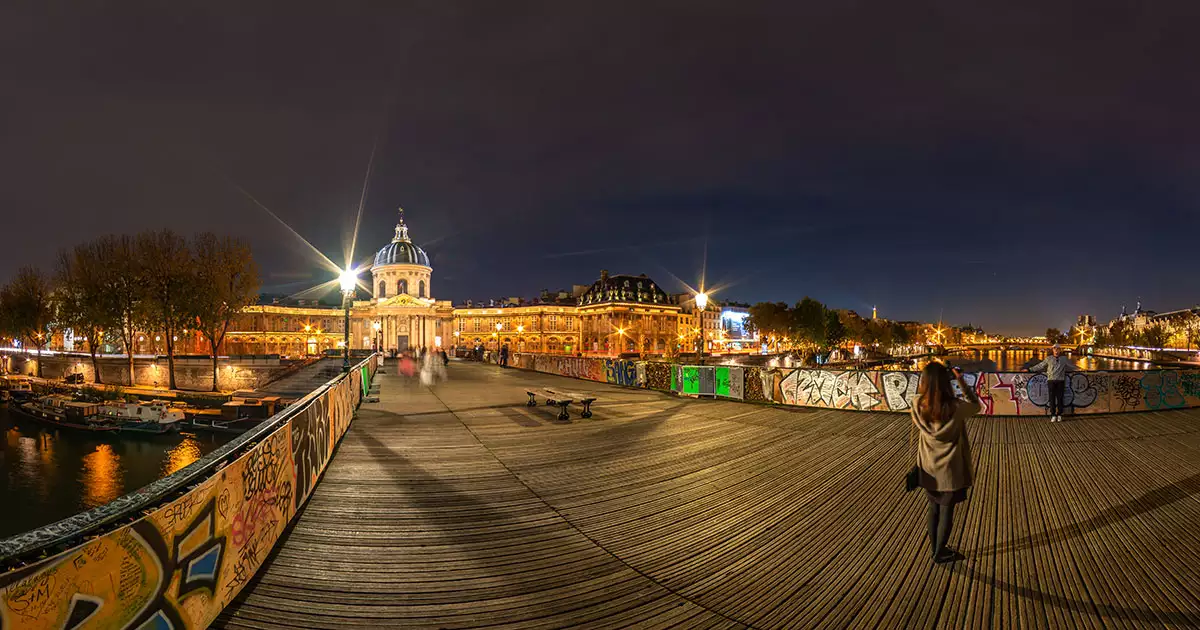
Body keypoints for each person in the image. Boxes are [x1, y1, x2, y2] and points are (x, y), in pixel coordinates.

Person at [911, 362, 980, 564]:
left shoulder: (917, 404)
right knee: (946, 512)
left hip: (928, 468)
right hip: (950, 470)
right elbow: (976, 405)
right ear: (945, 382)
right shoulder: (956, 408)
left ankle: (935, 548)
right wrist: (960, 379)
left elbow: (923, 396)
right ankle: (940, 552)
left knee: (933, 508)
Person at [1027, 344, 1077, 422]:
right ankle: (1053, 414)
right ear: (1053, 350)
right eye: (1055, 349)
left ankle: (1059, 414)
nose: (1056, 351)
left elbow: (1072, 366)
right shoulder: (1049, 358)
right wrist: (1029, 370)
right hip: (1051, 381)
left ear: (1060, 350)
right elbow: (1040, 366)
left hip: (1060, 381)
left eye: (1058, 349)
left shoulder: (1064, 359)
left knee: (1060, 398)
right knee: (1052, 398)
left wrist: (1082, 370)